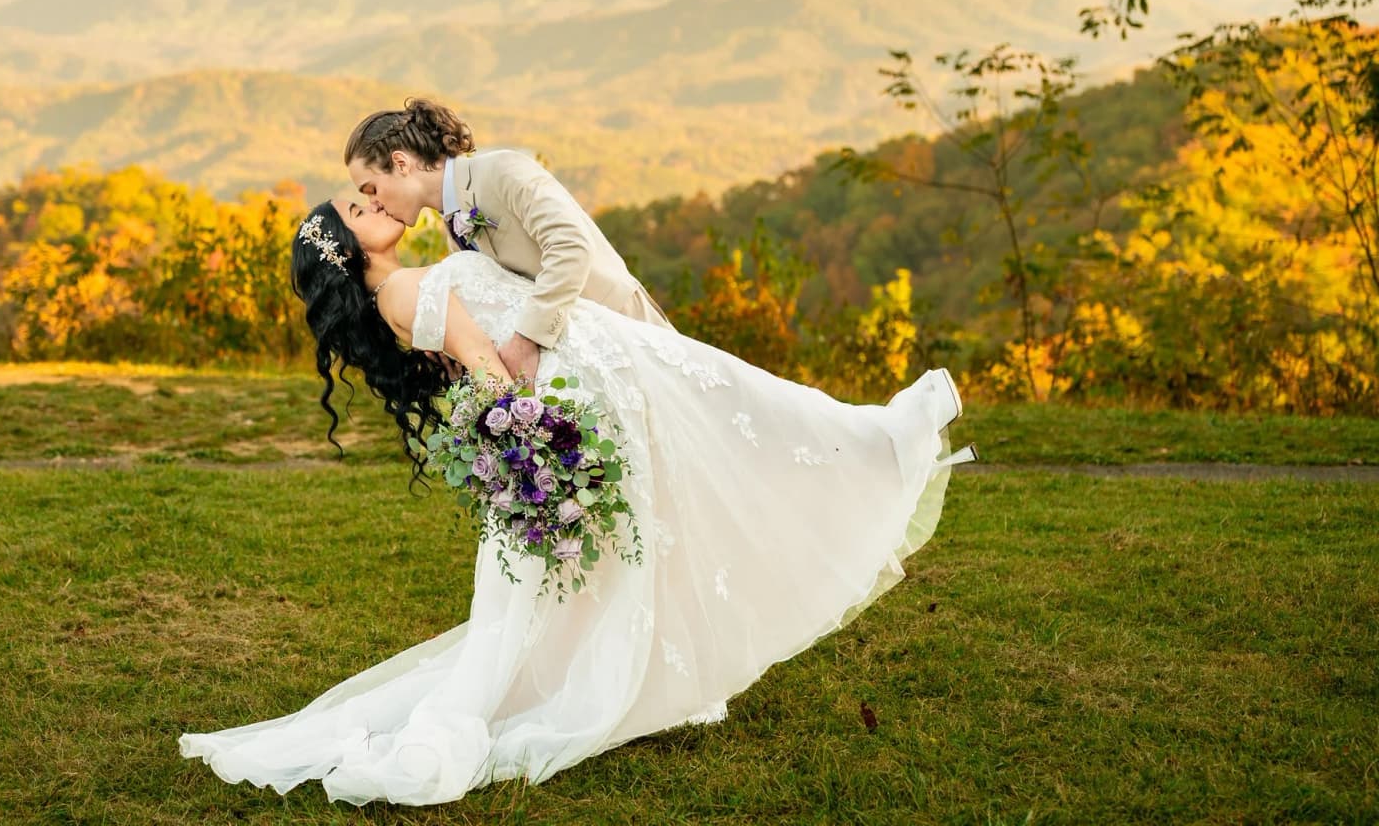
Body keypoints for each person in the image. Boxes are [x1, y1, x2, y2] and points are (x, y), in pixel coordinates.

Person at [177, 193, 976, 807]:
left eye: (366, 195)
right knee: (745, 433)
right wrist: (535, 441)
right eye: (355, 210)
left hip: (601, 376)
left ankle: (873, 444)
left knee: (749, 424)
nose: (374, 204)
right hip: (561, 409)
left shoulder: (418, 276)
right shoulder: (402, 292)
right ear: (347, 250)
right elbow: (483, 362)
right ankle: (878, 447)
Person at [343, 98, 671, 383]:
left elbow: (571, 247)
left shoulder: (503, 171)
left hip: (624, 325)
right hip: (582, 351)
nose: (373, 204)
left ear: (400, 163)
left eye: (371, 189)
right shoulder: (453, 227)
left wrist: (527, 340)